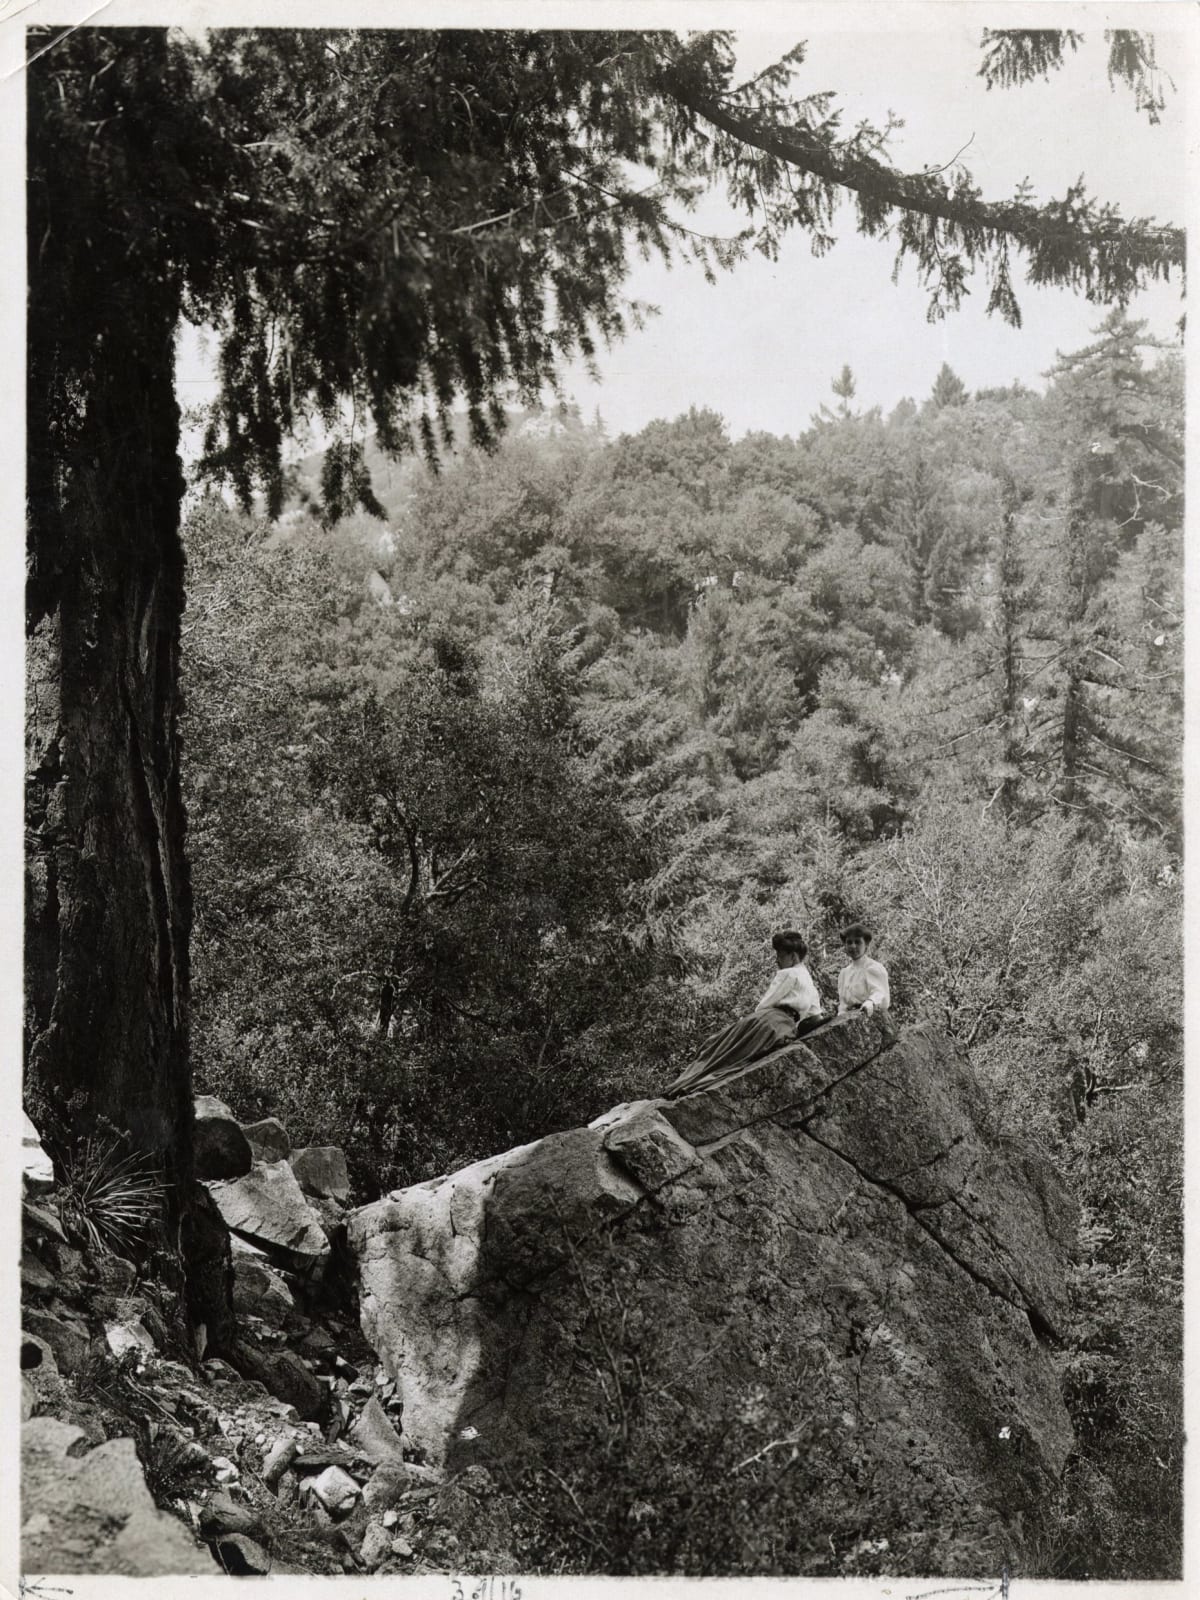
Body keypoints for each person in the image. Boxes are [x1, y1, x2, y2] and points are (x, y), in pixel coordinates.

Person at [667, 931, 825, 1097]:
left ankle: (689, 1079)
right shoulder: (808, 979)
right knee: (736, 1052)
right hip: (786, 1028)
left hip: (769, 1020)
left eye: (780, 956)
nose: (777, 960)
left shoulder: (788, 973)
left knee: (722, 1044)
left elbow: (766, 1003)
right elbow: (815, 1013)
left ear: (793, 956)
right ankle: (695, 1079)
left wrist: (751, 1022)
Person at [837, 924, 890, 1017]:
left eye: (857, 942)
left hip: (873, 1018)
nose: (853, 946)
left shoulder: (873, 968)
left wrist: (870, 1002)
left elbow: (880, 993)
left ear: (866, 945)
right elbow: (843, 1005)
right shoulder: (844, 973)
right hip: (851, 1020)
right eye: (849, 942)